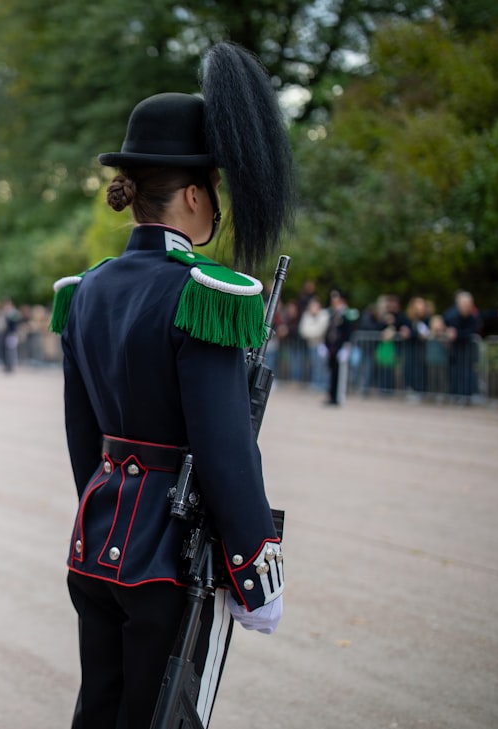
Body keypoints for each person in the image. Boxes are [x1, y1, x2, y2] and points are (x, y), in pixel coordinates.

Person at [49, 42, 291, 728]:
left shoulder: (87, 290)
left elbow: (81, 435)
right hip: (168, 554)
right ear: (192, 193)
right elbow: (226, 447)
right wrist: (252, 563)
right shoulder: (204, 294)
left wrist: (104, 507)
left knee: (99, 711)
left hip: (97, 540)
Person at [324, 289, 357, 405]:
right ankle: (331, 395)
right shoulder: (333, 315)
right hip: (332, 349)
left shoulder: (346, 315)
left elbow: (348, 332)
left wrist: (346, 347)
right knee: (332, 373)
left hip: (340, 348)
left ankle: (338, 396)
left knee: (340, 374)